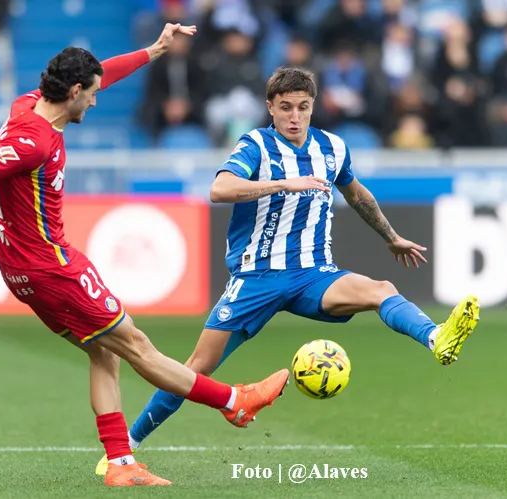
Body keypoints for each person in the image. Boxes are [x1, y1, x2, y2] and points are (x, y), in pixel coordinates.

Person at [0, 25, 316, 487]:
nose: (96, 100)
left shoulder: (28, 104)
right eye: (90, 94)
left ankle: (120, 463)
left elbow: (101, 74)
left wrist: (152, 51)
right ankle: (234, 399)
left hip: (18, 264)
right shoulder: (33, 143)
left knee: (103, 352)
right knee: (134, 346)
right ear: (73, 92)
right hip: (51, 265)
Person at [95, 66, 481, 475]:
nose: (294, 116)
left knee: (379, 288)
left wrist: (390, 236)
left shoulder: (332, 147)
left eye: (303, 107)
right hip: (255, 279)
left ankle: (437, 337)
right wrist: (282, 184)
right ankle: (125, 448)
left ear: (313, 107)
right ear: (270, 108)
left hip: (313, 275)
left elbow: (356, 192)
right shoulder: (256, 145)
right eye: (285, 108)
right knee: (196, 368)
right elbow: (219, 188)